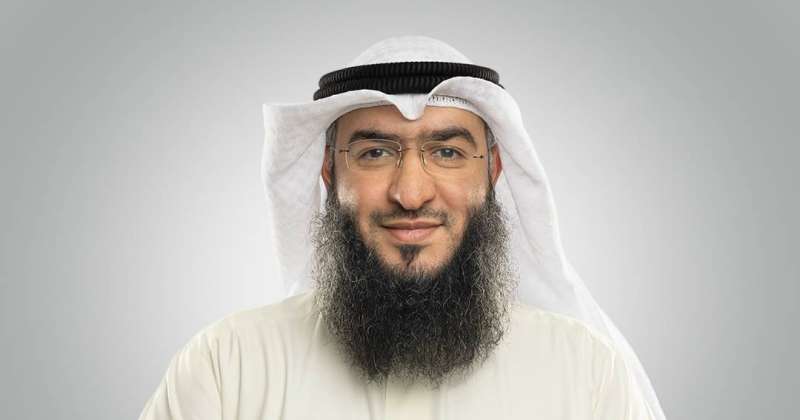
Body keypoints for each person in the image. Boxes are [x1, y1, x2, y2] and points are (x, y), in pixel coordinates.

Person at [138, 36, 666, 420]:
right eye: (375, 152)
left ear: (492, 172)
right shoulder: (228, 366)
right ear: (330, 174)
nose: (411, 194)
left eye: (447, 152)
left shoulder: (583, 371)